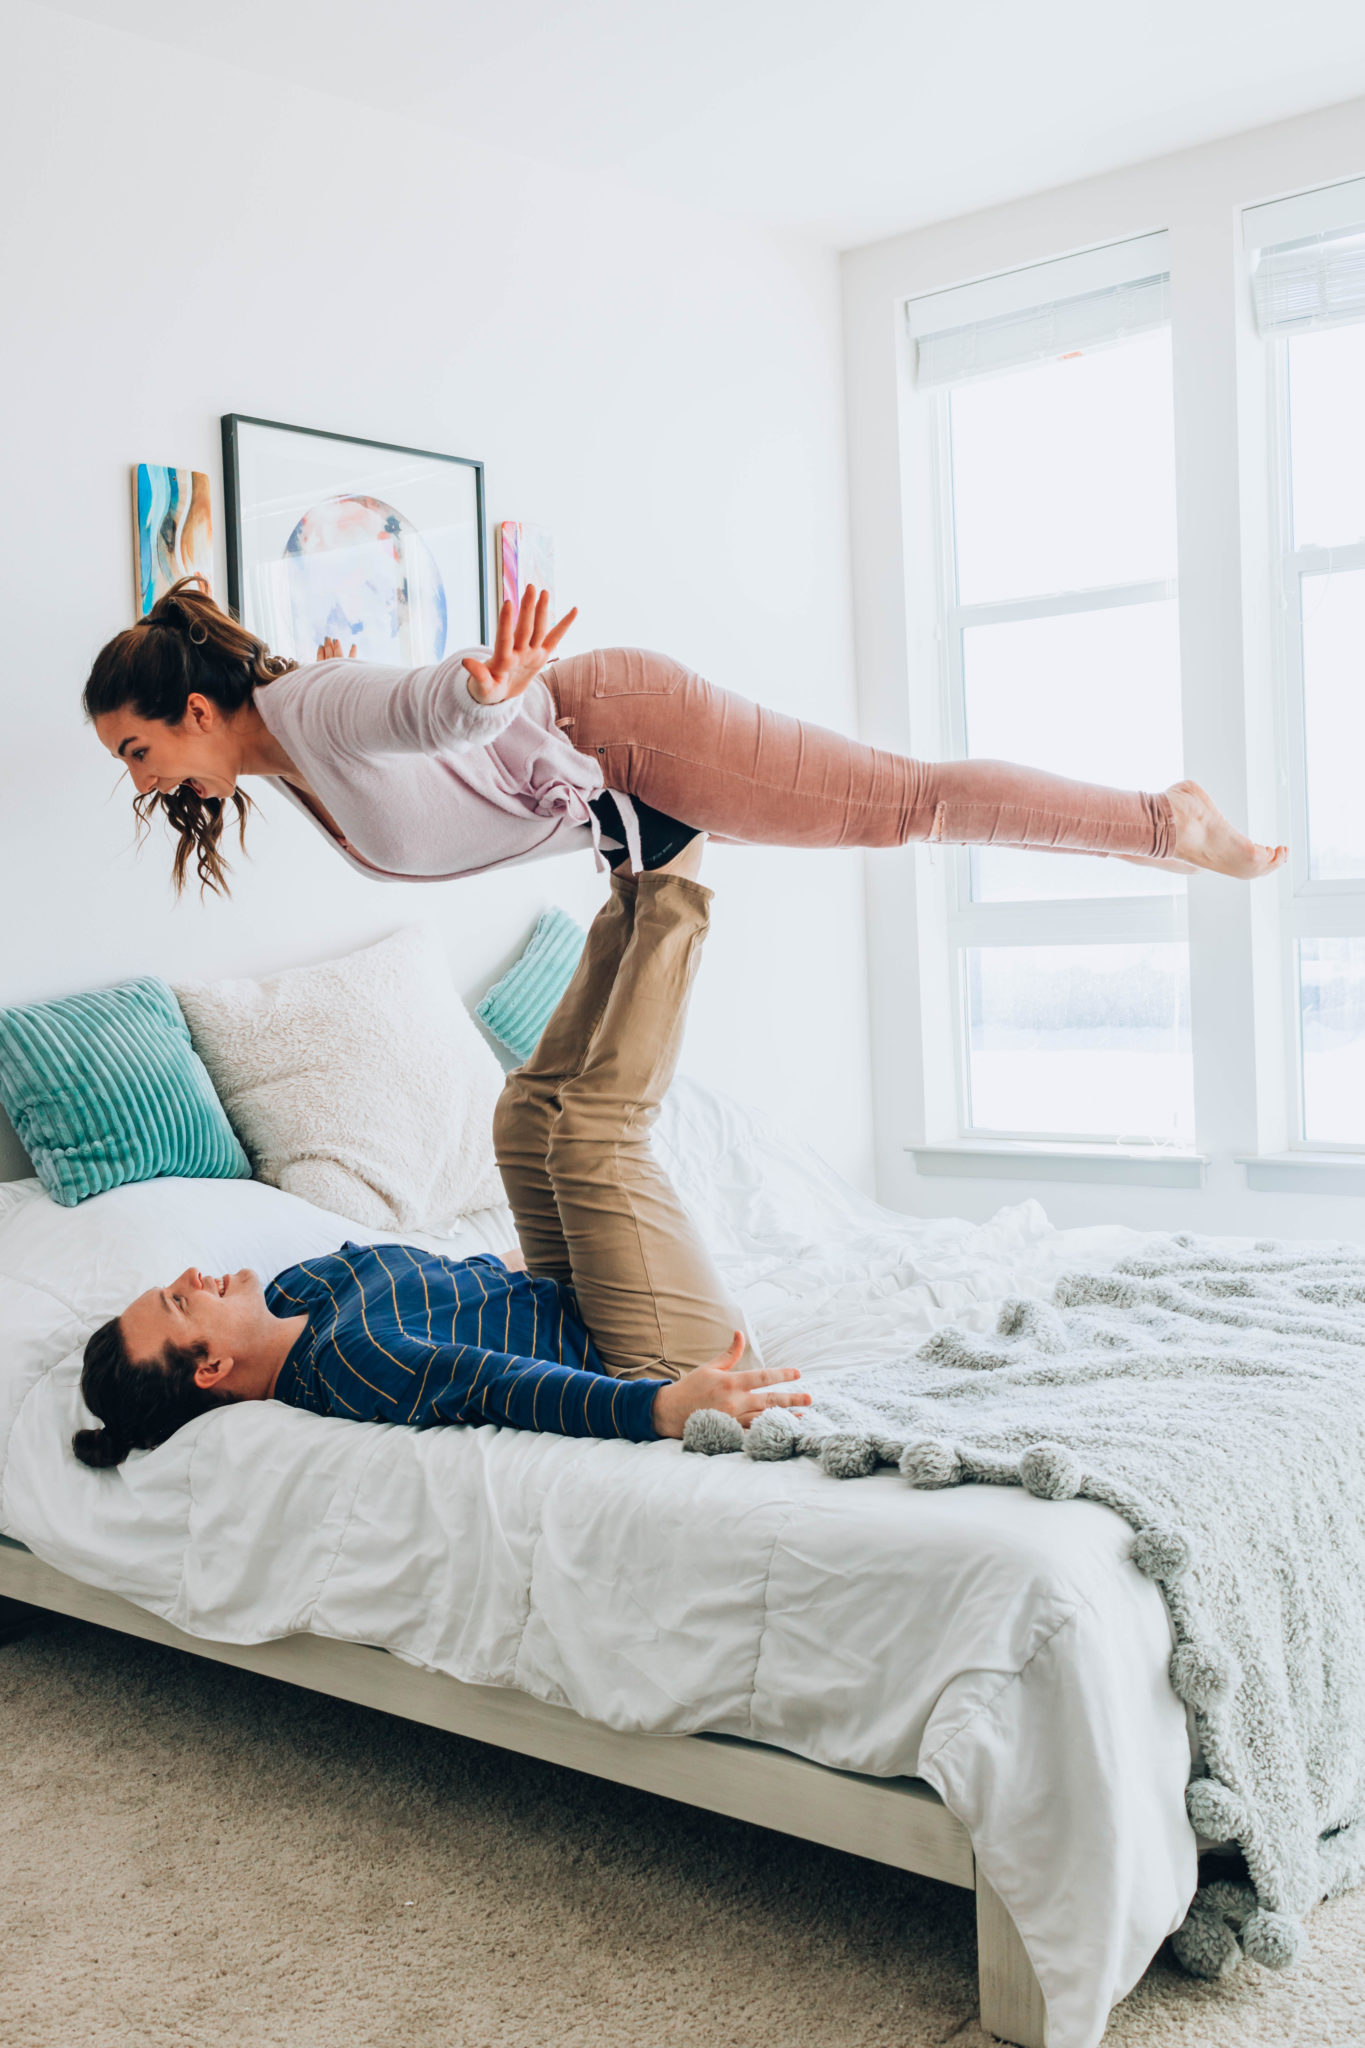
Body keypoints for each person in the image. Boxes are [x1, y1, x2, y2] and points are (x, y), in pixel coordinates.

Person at [73, 841, 809, 1469]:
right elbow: (501, 1386)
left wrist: (565, 1253)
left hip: (575, 1302)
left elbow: (456, 1289)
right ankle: (679, 871)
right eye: (179, 1300)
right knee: (593, 1135)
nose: (190, 1277)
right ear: (211, 1368)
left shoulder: (298, 1290)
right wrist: (661, 1407)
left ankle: (634, 872)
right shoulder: (348, 1366)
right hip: (649, 1364)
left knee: (524, 1115)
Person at [82, 576, 1286, 897]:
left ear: (193, 711)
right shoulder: (285, 768)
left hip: (621, 732)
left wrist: (480, 682)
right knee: (894, 812)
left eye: (137, 751)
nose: (143, 780)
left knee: (901, 804)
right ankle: (1157, 827)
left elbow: (421, 707)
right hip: (612, 785)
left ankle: (1161, 820)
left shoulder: (305, 710)